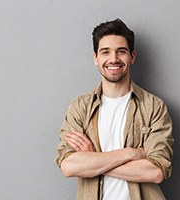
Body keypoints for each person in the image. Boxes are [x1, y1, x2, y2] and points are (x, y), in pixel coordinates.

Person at [55, 18, 173, 200]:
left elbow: (156, 171)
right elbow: (69, 166)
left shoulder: (154, 107)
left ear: (132, 56)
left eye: (121, 51)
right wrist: (132, 153)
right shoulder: (80, 108)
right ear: (96, 58)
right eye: (105, 52)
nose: (113, 59)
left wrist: (93, 160)